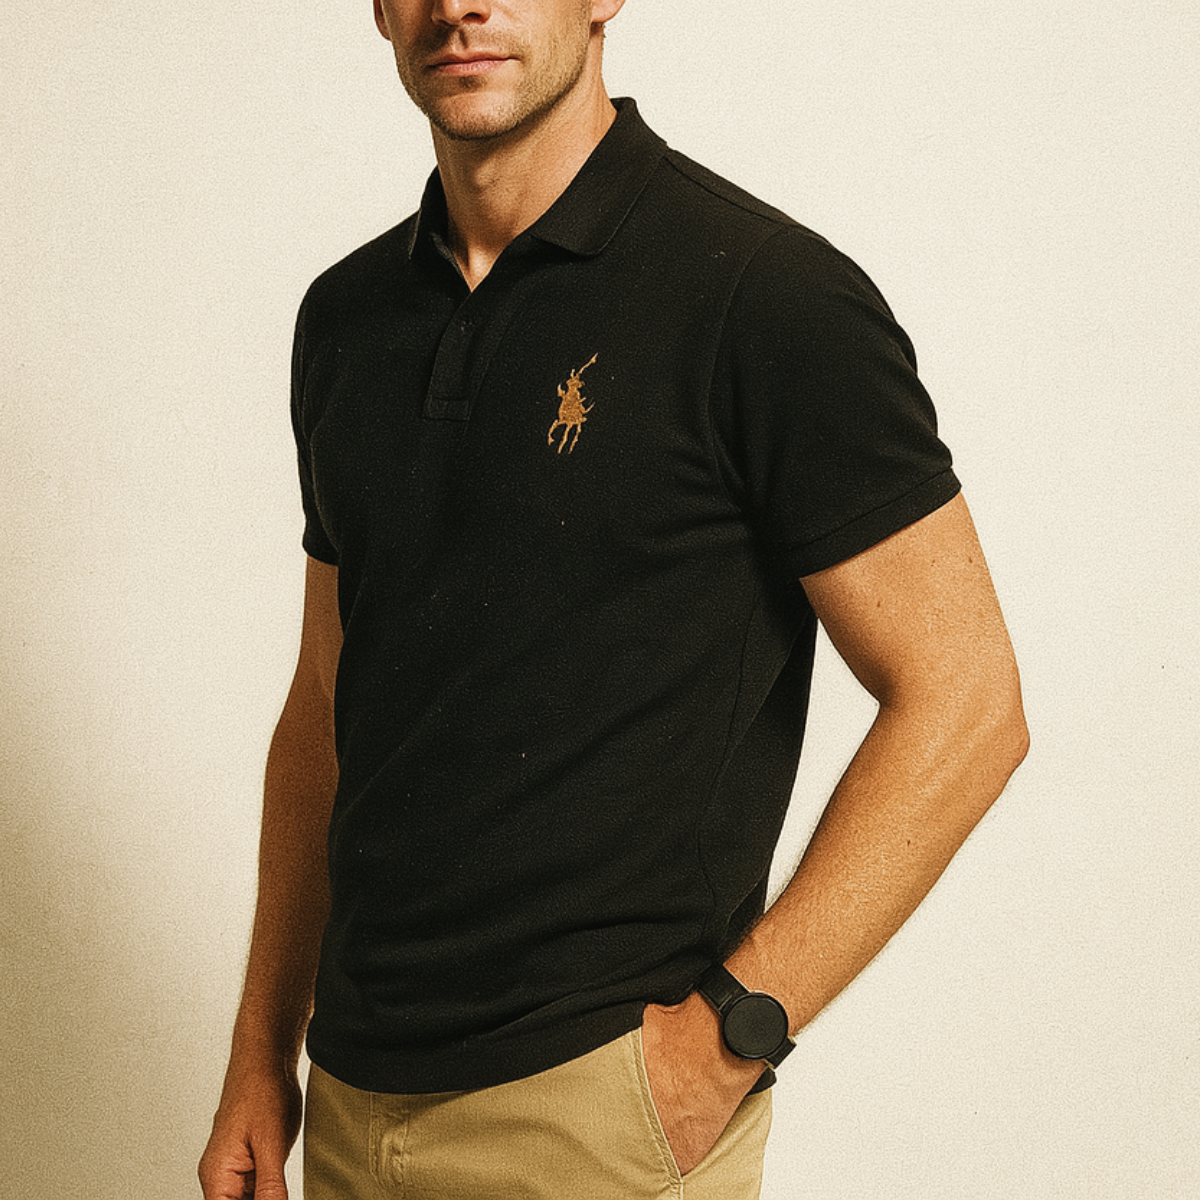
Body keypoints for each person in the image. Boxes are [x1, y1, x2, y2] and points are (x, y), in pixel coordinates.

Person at [199, 1, 1029, 1197]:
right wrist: (259, 1055)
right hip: (347, 1107)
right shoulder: (346, 318)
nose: (458, 5)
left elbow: (970, 701)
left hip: (598, 1116)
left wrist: (725, 1041)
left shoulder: (764, 294)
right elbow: (327, 704)